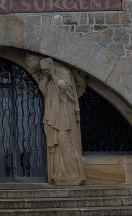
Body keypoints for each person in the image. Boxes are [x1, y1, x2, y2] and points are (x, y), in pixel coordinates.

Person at [38, 57, 86, 185]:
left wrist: (53, 76)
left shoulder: (64, 72)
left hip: (64, 110)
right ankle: (60, 173)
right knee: (58, 142)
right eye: (43, 71)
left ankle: (72, 174)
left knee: (65, 139)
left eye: (46, 70)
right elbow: (42, 89)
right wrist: (46, 78)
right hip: (53, 110)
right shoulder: (47, 76)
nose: (45, 72)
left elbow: (65, 88)